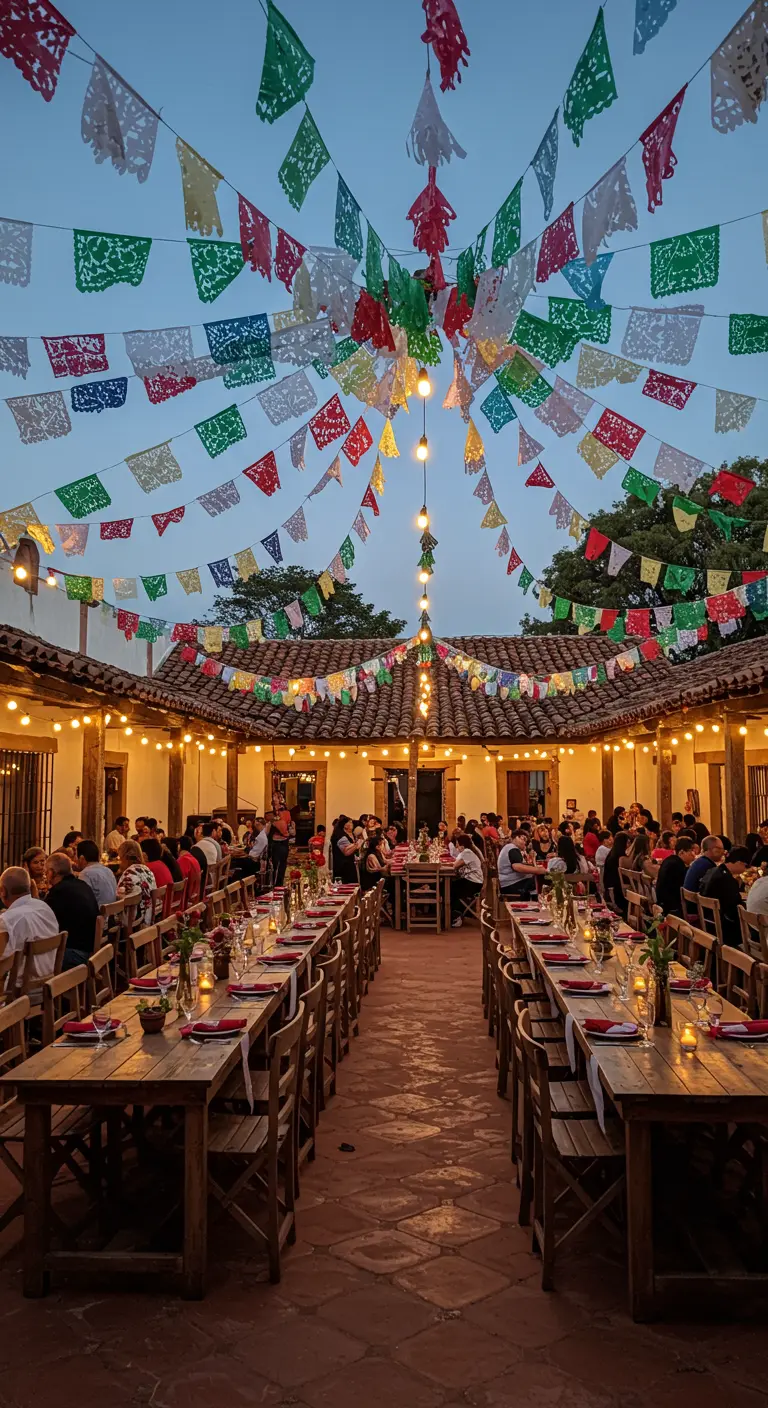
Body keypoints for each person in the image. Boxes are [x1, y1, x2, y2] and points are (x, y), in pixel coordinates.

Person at [44, 852, 100, 968]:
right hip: (91, 949)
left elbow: (43, 923)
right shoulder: (82, 885)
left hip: (75, 954)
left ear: (51, 872)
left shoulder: (58, 892)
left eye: (46, 871)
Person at [699, 846, 751, 946]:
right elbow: (734, 910)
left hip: (708, 922)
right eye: (745, 866)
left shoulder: (713, 871)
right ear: (739, 862)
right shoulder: (726, 879)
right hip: (724, 929)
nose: (745, 870)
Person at [116, 839, 157, 926]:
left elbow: (120, 902)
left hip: (134, 922)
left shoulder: (129, 875)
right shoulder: (147, 870)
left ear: (125, 857)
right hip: (148, 917)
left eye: (119, 858)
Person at [656, 836, 699, 917]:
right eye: (691, 851)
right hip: (673, 909)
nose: (694, 855)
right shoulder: (677, 865)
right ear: (681, 852)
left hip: (663, 905)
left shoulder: (669, 860)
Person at [451, 835, 484, 927]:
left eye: (457, 844)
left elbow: (455, 866)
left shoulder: (467, 852)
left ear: (462, 845)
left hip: (473, 884)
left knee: (448, 888)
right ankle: (453, 914)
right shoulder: (468, 852)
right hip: (473, 881)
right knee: (449, 886)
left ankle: (456, 916)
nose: (456, 847)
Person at [498, 831, 542, 898]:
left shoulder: (509, 848)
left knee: (536, 880)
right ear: (515, 838)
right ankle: (535, 902)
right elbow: (517, 867)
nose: (524, 843)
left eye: (526, 841)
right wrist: (538, 870)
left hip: (510, 883)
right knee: (540, 879)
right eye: (523, 839)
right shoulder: (512, 848)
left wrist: (533, 860)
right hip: (511, 884)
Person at [75, 839, 117, 905]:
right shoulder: (108, 870)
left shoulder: (86, 873)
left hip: (99, 913)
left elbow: (83, 900)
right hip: (112, 912)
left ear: (81, 858)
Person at [603, 833, 631, 916]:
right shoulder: (620, 858)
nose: (629, 845)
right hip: (618, 892)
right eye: (628, 842)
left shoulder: (612, 854)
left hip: (612, 890)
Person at [331, 816, 362, 883]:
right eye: (350, 822)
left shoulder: (351, 835)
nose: (352, 824)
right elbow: (346, 852)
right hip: (344, 866)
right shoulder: (341, 836)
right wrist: (356, 845)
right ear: (345, 825)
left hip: (349, 865)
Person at [174, 835, 202, 902]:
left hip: (185, 900)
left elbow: (180, 883)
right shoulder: (193, 858)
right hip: (194, 897)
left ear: (179, 846)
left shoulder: (183, 860)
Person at [268, 809, 290, 886]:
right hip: (283, 843)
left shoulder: (274, 823)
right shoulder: (283, 822)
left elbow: (268, 834)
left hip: (277, 844)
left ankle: (275, 883)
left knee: (276, 865)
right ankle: (279, 883)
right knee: (282, 865)